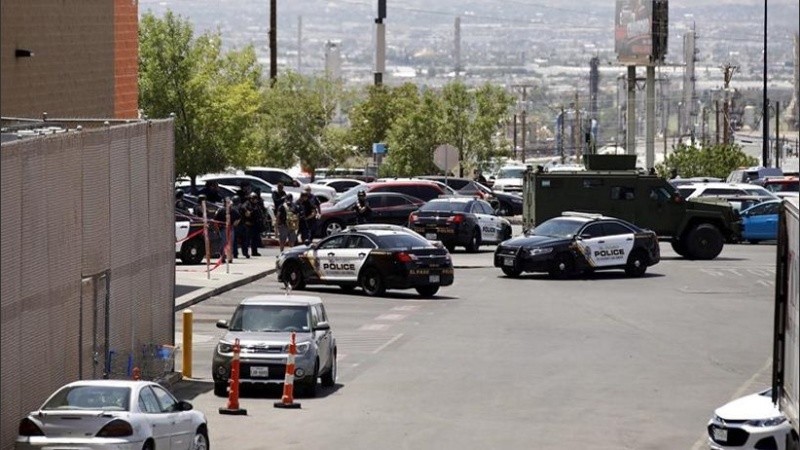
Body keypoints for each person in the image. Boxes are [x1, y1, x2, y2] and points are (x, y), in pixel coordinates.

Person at [213, 198, 241, 263]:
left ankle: (230, 257)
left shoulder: (233, 210)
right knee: (223, 243)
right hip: (223, 229)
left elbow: (239, 217)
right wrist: (217, 229)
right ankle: (222, 257)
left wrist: (235, 224)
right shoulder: (221, 210)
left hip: (230, 228)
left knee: (230, 243)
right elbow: (215, 220)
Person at [242, 192, 264, 257]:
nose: (255, 200)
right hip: (248, 224)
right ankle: (245, 253)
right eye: (253, 198)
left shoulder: (257, 205)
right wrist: (247, 212)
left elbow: (259, 213)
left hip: (255, 224)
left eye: (255, 198)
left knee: (255, 239)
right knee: (247, 240)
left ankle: (254, 252)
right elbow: (244, 210)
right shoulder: (247, 204)